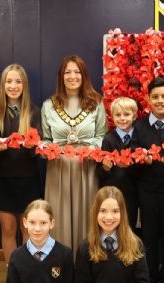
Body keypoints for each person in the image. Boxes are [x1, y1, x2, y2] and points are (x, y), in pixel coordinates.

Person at [41, 55, 107, 251]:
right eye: (67, 72)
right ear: (61, 76)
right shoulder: (49, 105)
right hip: (58, 167)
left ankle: (85, 265)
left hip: (85, 167)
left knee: (86, 215)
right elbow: (45, 138)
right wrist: (47, 149)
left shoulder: (96, 102)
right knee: (58, 216)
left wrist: (93, 150)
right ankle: (60, 266)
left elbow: (102, 134)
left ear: (84, 75)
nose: (72, 76)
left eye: (77, 72)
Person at [131, 77, 164, 283]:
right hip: (147, 192)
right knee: (149, 239)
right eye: (155, 97)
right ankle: (150, 280)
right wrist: (141, 161)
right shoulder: (139, 126)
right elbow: (133, 157)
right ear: (148, 99)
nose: (160, 101)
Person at [0, 64, 42, 264]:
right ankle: (13, 275)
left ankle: (27, 274)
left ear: (24, 85)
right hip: (3, 179)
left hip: (29, 179)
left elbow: (40, 147)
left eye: (18, 81)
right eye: (9, 81)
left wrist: (33, 146)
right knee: (8, 229)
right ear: (3, 84)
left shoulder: (33, 111)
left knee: (27, 228)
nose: (13, 86)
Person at [74, 186, 149, 283]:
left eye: (115, 211)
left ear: (122, 213)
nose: (109, 217)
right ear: (95, 213)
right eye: (103, 211)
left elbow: (141, 281)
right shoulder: (85, 248)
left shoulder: (136, 244)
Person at [5, 199, 75, 283]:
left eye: (43, 223)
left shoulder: (65, 254)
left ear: (51, 223)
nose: (37, 229)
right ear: (25, 223)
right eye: (32, 222)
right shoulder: (16, 256)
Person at [96, 97, 140, 230]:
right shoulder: (108, 140)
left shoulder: (139, 137)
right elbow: (99, 172)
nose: (122, 118)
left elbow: (143, 167)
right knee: (112, 228)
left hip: (133, 193)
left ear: (134, 116)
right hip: (112, 194)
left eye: (126, 114)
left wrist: (130, 166)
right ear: (112, 116)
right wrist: (105, 168)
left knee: (129, 227)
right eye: (118, 115)